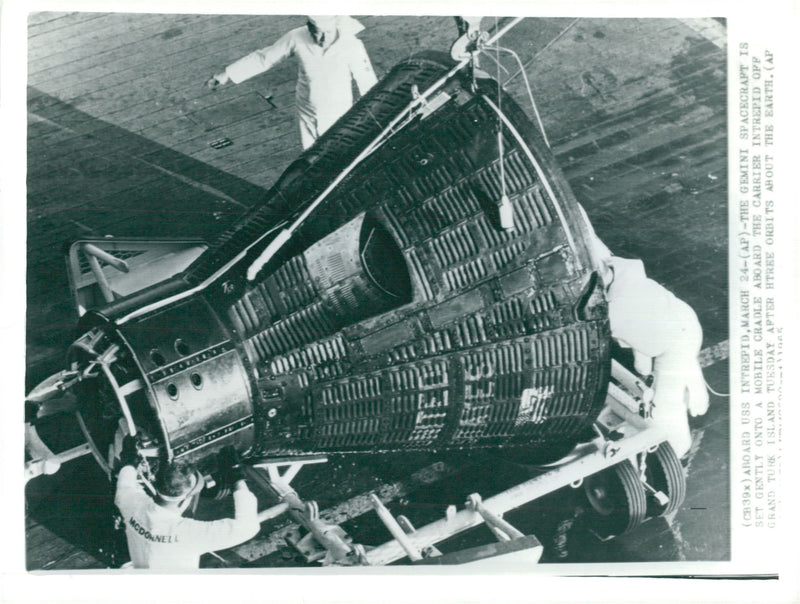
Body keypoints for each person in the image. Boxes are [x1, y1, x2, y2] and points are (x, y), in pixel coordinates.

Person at [207, 16, 377, 149]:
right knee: (309, 154)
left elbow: (367, 81)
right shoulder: (296, 37)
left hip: (338, 112)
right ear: (309, 28)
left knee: (336, 153)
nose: (323, 38)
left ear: (337, 27)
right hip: (306, 109)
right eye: (318, 32)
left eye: (328, 32)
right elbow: (265, 57)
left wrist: (375, 117)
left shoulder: (352, 46)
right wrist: (226, 74)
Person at [114, 438, 260, 570]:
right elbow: (247, 528)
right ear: (185, 500)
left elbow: (125, 484)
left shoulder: (132, 505)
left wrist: (130, 460)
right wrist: (236, 476)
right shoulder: (189, 534)